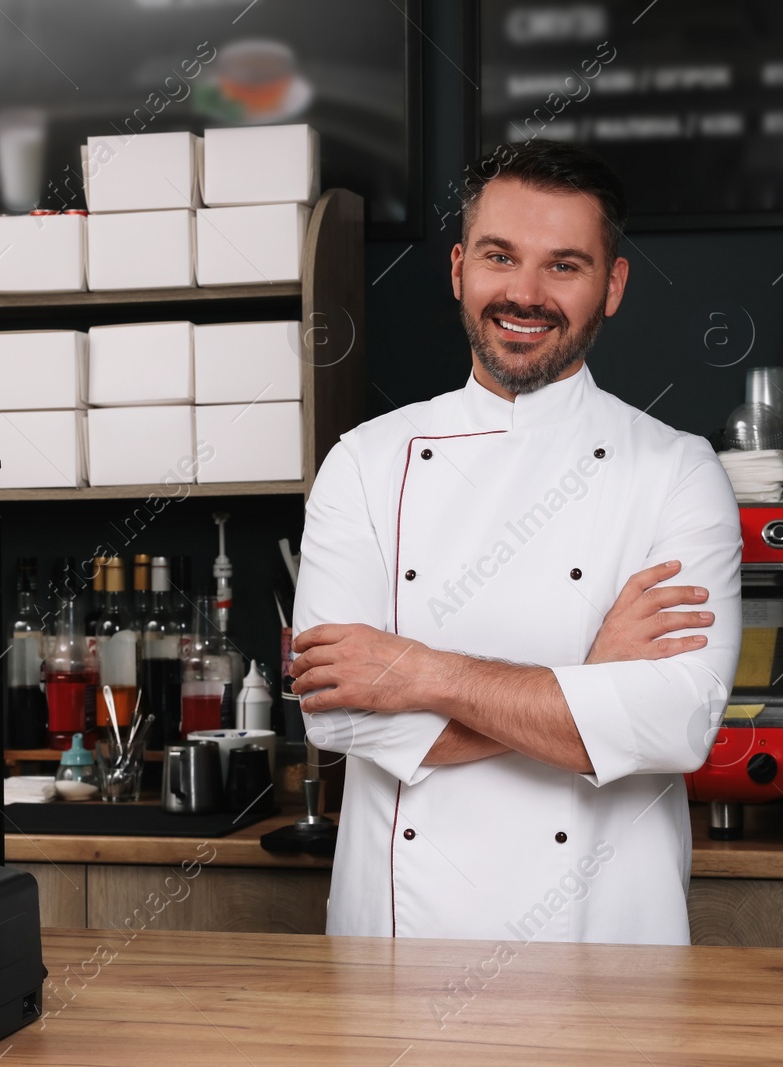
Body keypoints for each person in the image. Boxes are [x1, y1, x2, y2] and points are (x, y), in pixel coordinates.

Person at [289, 139, 743, 945]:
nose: (525, 295)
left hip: (605, 946)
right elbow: (339, 717)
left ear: (613, 287)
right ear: (460, 268)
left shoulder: (678, 470)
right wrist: (590, 689)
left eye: (565, 266)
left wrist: (418, 671)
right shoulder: (363, 462)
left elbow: (676, 724)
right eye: (501, 257)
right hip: (401, 951)